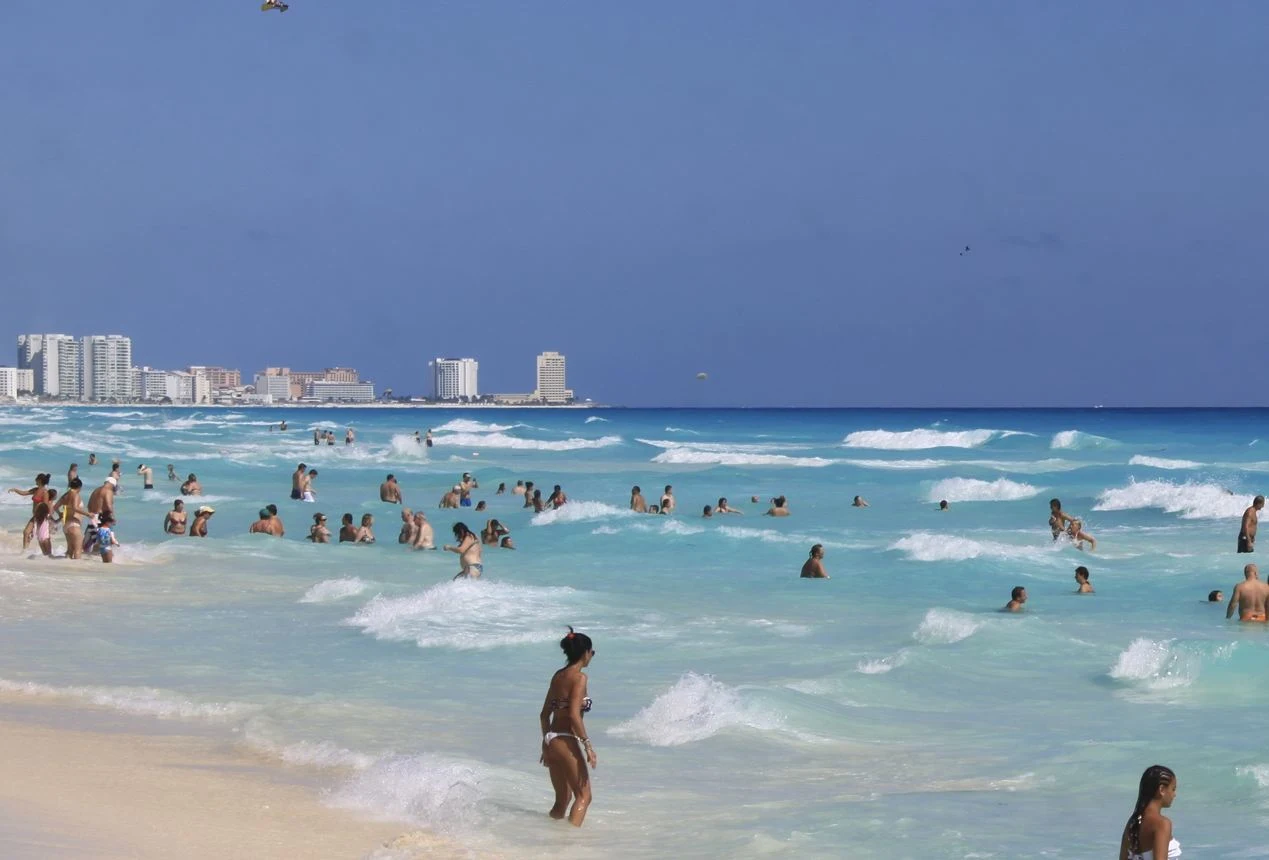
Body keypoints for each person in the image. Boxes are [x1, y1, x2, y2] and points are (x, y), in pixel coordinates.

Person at [539, 626, 597, 827]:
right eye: (592, 652)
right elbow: (573, 715)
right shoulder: (580, 678)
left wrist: (545, 744)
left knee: (562, 801)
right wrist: (588, 745)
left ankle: (548, 839)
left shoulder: (558, 675)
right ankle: (568, 845)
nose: (592, 656)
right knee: (584, 796)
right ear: (585, 653)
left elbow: (544, 715)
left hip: (552, 740)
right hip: (566, 739)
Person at [1118, 765, 1178, 860]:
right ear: (1161, 789)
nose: (1174, 795)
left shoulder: (1133, 822)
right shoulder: (1162, 824)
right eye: (1173, 789)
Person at [8, 473, 52, 550]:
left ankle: (47, 553)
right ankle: (25, 550)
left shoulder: (45, 492)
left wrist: (46, 517)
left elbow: (45, 506)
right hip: (35, 516)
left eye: (37, 479)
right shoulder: (35, 490)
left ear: (40, 480)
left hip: (41, 517)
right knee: (26, 532)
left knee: (42, 536)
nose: (35, 480)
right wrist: (15, 490)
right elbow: (24, 493)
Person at [59, 478, 91, 559]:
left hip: (66, 525)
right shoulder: (76, 495)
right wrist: (88, 514)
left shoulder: (65, 495)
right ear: (79, 487)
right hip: (74, 525)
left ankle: (67, 568)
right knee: (78, 550)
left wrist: (59, 514)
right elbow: (75, 508)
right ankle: (77, 570)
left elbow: (55, 507)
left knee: (70, 550)